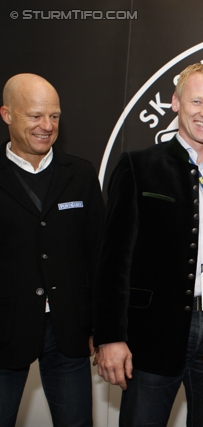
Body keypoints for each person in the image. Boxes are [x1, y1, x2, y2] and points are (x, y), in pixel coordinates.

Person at [93, 64, 203, 427]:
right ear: (175, 103)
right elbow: (113, 259)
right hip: (152, 333)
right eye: (196, 101)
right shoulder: (138, 167)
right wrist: (110, 336)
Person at [0, 73, 104, 426]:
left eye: (55, 116)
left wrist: (98, 326)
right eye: (35, 116)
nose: (47, 126)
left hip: (69, 333)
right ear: (7, 114)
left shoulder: (81, 174)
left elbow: (99, 256)